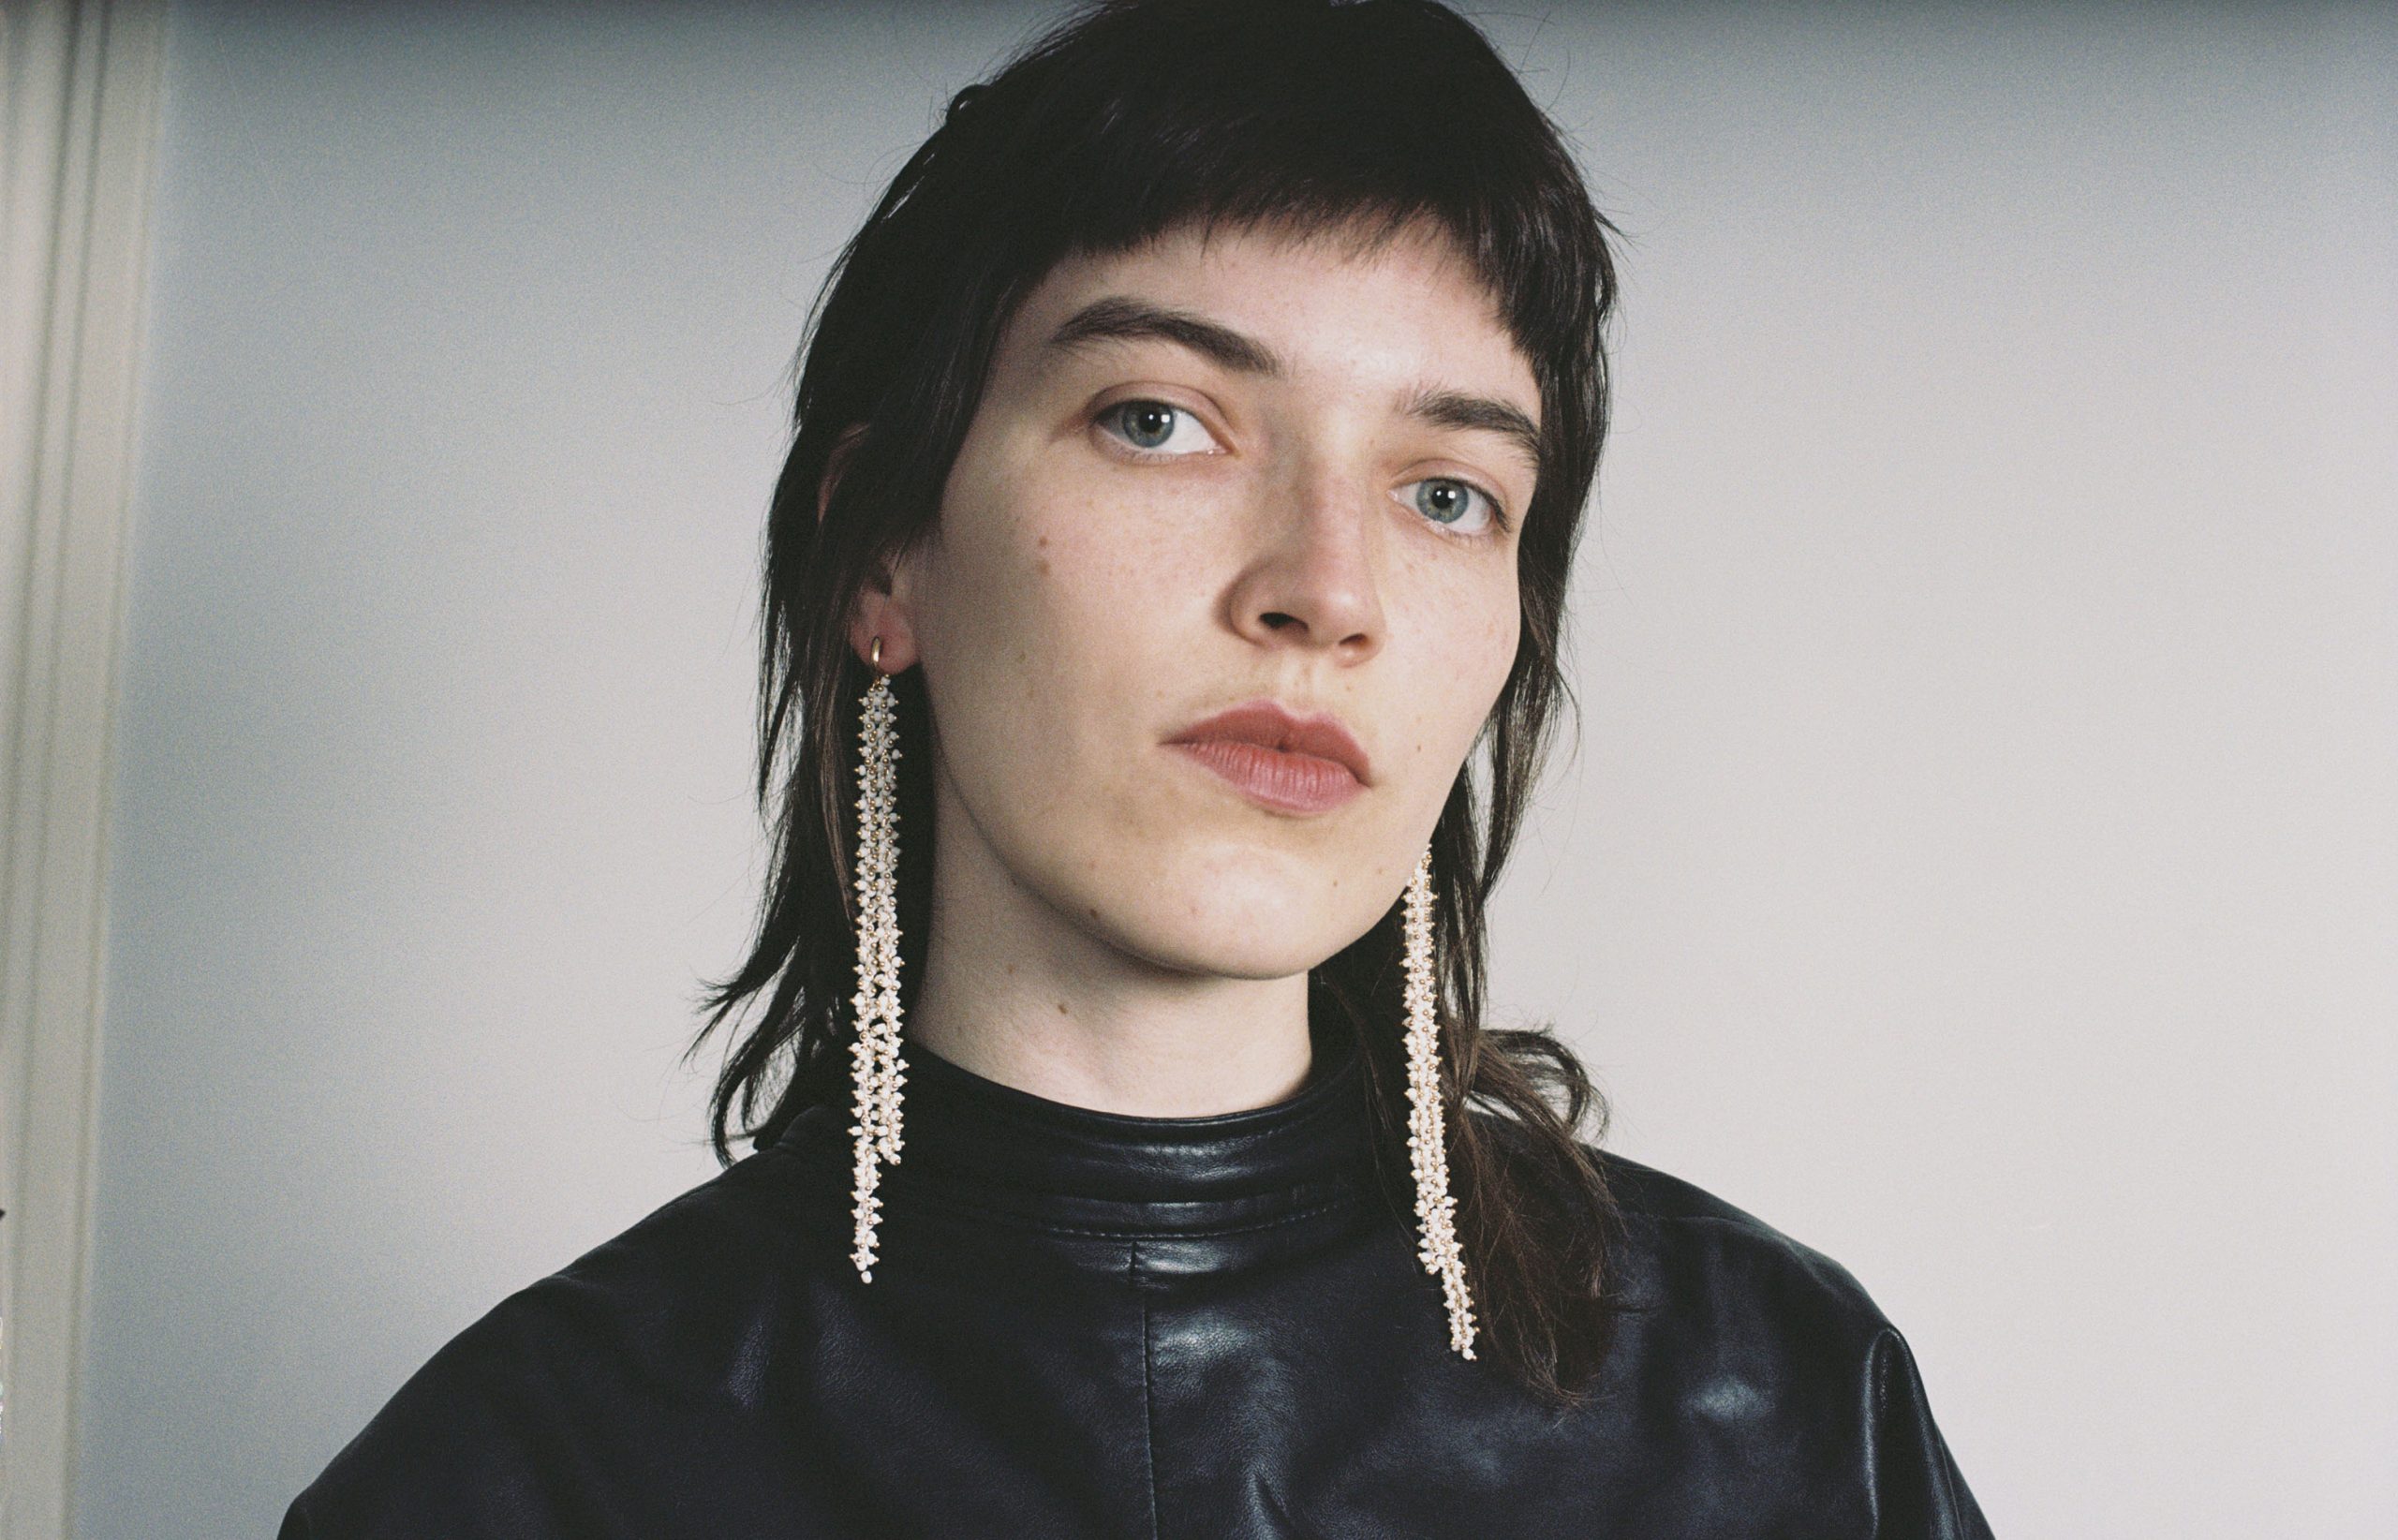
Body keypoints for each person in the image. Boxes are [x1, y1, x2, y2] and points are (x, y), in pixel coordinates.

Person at [279, 0, 1993, 1533]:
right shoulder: (520, 1474)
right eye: (1159, 420)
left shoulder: (1785, 1410)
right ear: (885, 556)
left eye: (1445, 492)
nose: (1326, 588)